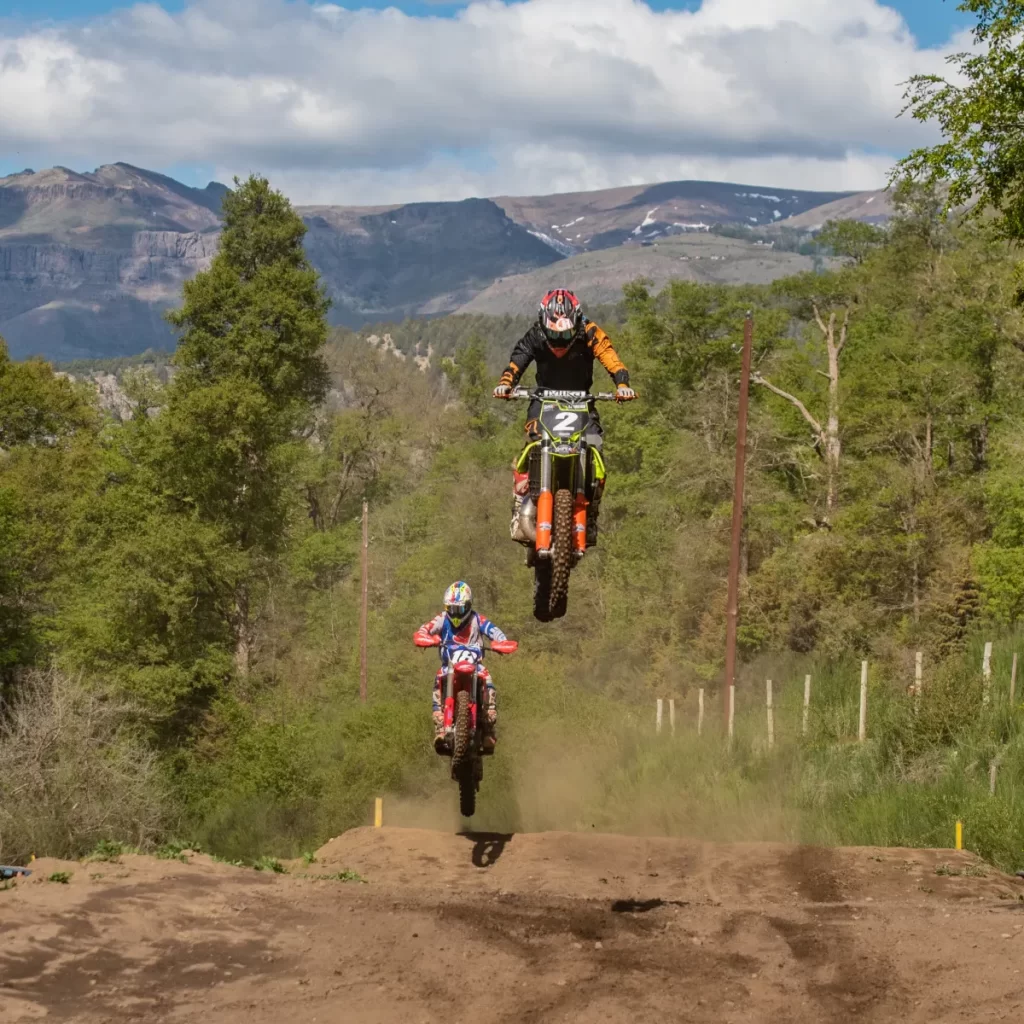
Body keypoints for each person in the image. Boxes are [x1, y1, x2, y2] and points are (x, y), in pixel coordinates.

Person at [493, 289, 636, 546]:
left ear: (578, 321)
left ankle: (591, 513)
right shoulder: (536, 334)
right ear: (543, 322)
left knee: (596, 448)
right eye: (554, 333)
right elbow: (518, 359)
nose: (560, 340)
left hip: (581, 402)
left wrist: (622, 383)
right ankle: (520, 500)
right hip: (543, 400)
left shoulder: (590, 331)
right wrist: (506, 383)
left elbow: (609, 355)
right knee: (533, 441)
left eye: (566, 334)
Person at [415, 581, 508, 755]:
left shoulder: (477, 619)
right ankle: (441, 727)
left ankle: (488, 727)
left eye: (459, 609)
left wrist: (501, 642)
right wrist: (424, 637)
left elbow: (496, 632)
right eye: (452, 608)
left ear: (468, 606)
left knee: (487, 679)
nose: (455, 613)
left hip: (474, 665)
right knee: (437, 681)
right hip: (449, 666)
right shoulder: (442, 618)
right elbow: (425, 629)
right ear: (446, 607)